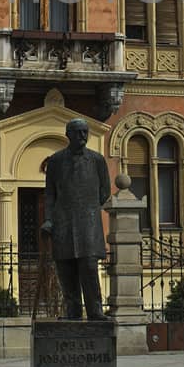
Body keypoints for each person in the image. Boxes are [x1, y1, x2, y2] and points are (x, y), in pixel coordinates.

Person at [41, 118, 112, 321]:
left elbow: (104, 191)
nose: (82, 136)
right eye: (78, 132)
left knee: (89, 267)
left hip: (88, 223)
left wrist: (86, 207)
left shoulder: (97, 160)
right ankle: (72, 311)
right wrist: (48, 219)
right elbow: (50, 194)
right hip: (62, 222)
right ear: (68, 135)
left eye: (85, 132)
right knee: (66, 268)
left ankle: (95, 311)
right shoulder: (55, 161)